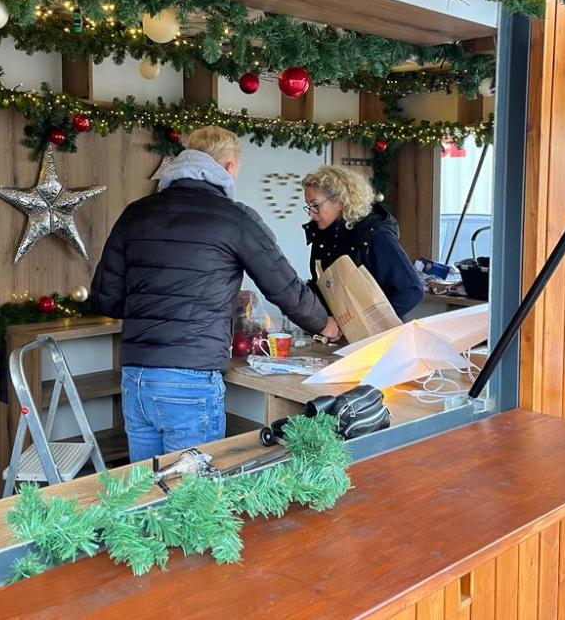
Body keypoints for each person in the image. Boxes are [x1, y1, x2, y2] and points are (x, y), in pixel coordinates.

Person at [91, 126, 341, 462]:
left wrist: (154, 305)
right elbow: (283, 285)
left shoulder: (136, 213)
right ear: (229, 167)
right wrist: (325, 325)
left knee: (145, 488)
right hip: (191, 379)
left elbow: (105, 298)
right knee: (196, 492)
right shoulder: (234, 217)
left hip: (136, 377)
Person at [302, 165, 424, 319]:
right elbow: (322, 287)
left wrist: (368, 322)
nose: (311, 213)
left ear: (340, 200)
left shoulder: (375, 235)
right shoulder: (321, 236)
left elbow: (411, 290)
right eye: (308, 206)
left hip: (380, 332)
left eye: (315, 205)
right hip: (338, 330)